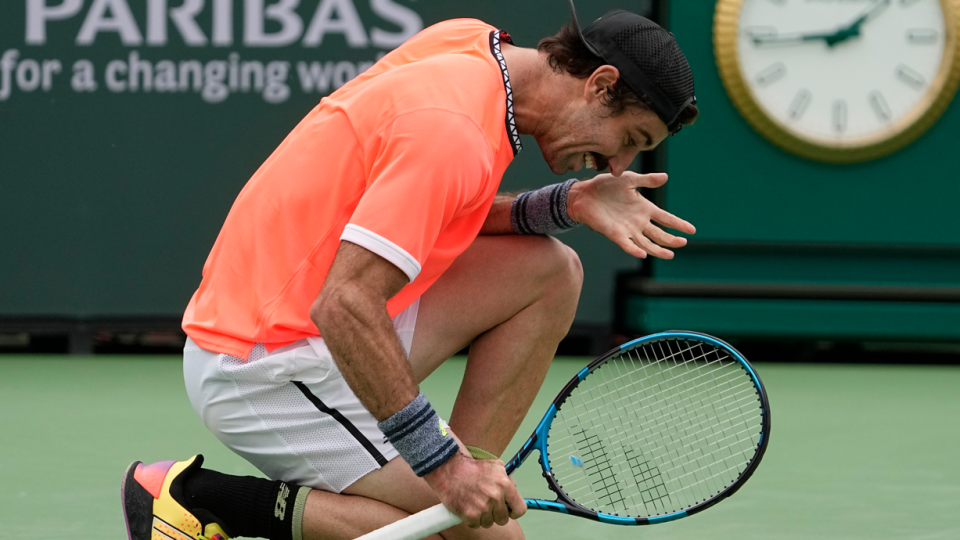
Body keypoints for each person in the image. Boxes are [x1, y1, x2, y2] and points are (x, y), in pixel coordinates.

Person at [120, 6, 699, 540]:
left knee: (550, 271)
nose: (619, 165)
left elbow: (446, 209)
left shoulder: (472, 46)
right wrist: (443, 471)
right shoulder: (452, 133)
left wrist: (566, 202)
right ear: (599, 86)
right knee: (489, 538)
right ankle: (198, 500)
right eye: (630, 140)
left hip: (303, 312)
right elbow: (346, 303)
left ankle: (456, 488)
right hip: (264, 364)